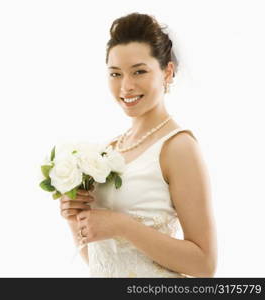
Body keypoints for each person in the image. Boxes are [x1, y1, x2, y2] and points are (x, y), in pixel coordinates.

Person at [59, 12, 217, 277]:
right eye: (115, 74)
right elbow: (102, 261)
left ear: (167, 71)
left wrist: (122, 226)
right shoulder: (108, 150)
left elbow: (204, 265)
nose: (126, 86)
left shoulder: (178, 147)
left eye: (139, 71)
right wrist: (75, 219)